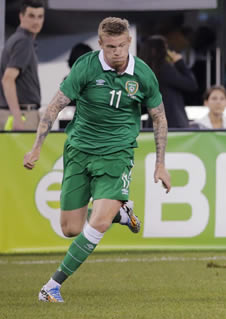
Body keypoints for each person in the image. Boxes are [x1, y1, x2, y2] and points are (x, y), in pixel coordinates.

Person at [23, 17, 172, 303]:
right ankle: (120, 213)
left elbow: (159, 117)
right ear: (100, 44)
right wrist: (36, 147)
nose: (116, 52)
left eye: (121, 46)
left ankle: (52, 286)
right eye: (110, 47)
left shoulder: (143, 74)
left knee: (98, 223)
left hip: (117, 153)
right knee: (71, 229)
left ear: (129, 42)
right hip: (79, 150)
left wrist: (160, 164)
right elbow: (55, 105)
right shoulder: (86, 66)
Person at [0, 0, 45, 131]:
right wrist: (17, 117)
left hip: (16, 113)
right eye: (31, 16)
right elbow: (8, 79)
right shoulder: (23, 42)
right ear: (21, 16)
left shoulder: (17, 39)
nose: (36, 21)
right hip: (22, 115)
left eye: (40, 16)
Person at [139, 35, 198, 128]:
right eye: (166, 48)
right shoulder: (164, 69)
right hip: (173, 123)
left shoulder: (145, 71)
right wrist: (179, 62)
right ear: (161, 51)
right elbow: (191, 84)